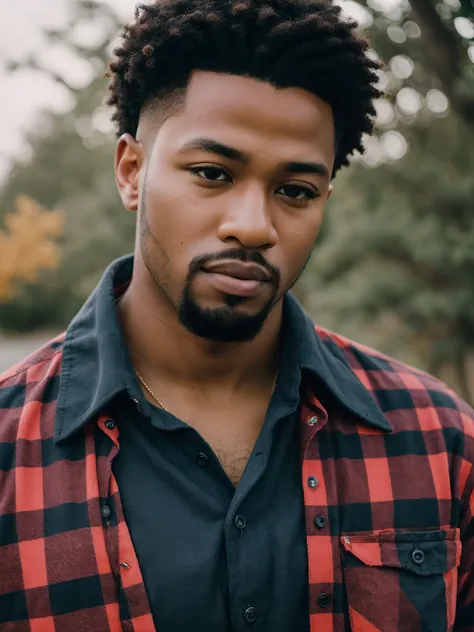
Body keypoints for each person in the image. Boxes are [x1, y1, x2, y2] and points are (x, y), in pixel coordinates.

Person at [0, 0, 473, 630]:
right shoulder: (9, 452)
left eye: (295, 191)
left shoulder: (442, 440)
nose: (253, 226)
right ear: (131, 171)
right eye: (212, 173)